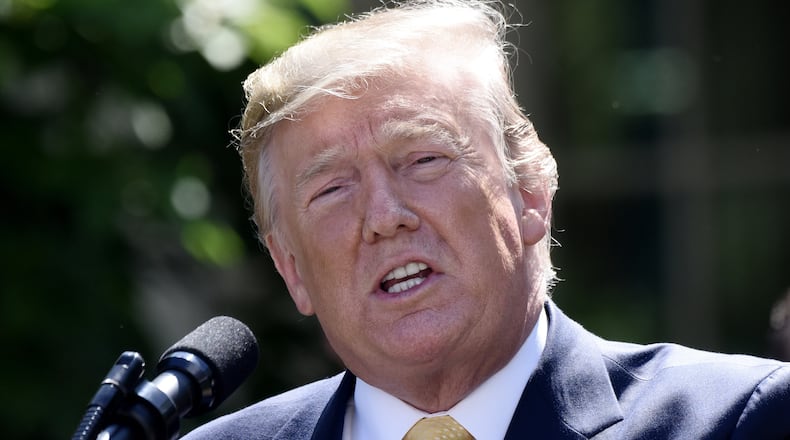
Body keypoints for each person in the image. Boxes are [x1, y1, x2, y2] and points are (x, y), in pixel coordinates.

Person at [184, 1, 790, 438]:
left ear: (529, 191)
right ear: (290, 266)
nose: (383, 217)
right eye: (333, 189)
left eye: (422, 159)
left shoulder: (743, 418)